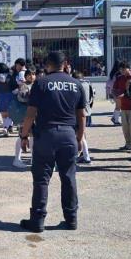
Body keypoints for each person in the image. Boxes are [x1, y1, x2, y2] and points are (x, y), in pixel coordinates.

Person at [18, 51, 86, 232]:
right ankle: (71, 219)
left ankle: (38, 220)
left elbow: (30, 114)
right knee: (69, 178)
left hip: (45, 136)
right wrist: (79, 138)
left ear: (48, 65)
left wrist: (24, 136)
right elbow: (82, 116)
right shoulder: (76, 84)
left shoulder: (41, 83)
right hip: (68, 135)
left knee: (41, 179)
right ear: (65, 64)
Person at [13, 69, 35, 168]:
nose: (32, 76)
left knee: (33, 137)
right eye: (30, 75)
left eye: (33, 74)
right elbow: (21, 98)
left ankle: (33, 159)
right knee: (22, 136)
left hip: (33, 115)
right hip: (24, 115)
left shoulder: (35, 85)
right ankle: (17, 159)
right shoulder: (23, 86)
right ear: (25, 76)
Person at [114, 62, 131, 152]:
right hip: (123, 106)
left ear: (128, 68)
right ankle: (128, 144)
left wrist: (124, 94)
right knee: (125, 127)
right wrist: (115, 95)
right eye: (120, 69)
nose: (121, 71)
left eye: (123, 69)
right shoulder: (119, 78)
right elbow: (114, 89)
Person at [74, 71, 93, 164]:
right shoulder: (88, 84)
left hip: (79, 112)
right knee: (83, 133)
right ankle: (85, 155)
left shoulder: (77, 86)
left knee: (80, 135)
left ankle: (85, 156)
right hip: (87, 111)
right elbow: (92, 97)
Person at [107, 61, 122, 126]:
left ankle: (114, 118)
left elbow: (108, 83)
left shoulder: (112, 73)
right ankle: (116, 121)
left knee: (118, 106)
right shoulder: (118, 74)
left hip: (112, 91)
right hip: (117, 91)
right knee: (118, 106)